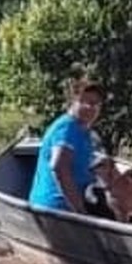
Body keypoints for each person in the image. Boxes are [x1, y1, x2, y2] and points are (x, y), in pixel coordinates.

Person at [29, 78, 108, 215]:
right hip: (58, 207)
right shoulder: (67, 128)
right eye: (85, 102)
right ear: (73, 102)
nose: (90, 108)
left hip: (77, 201)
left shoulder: (83, 131)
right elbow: (59, 167)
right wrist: (79, 211)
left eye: (95, 104)